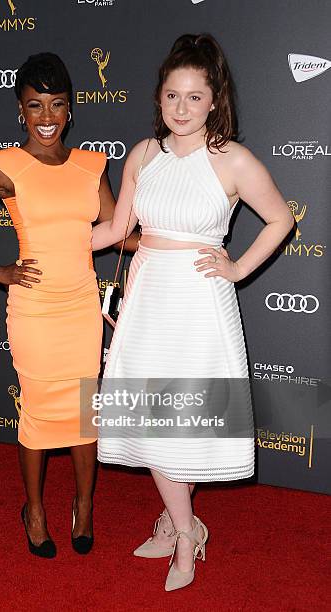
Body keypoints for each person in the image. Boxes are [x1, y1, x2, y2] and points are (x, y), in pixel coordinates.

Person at [91, 33, 294, 590]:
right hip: (149, 294)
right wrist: (51, 242)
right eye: (171, 96)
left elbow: (280, 219)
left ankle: (183, 534)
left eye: (194, 97)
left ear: (214, 99)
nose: (181, 109)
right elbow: (115, 230)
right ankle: (183, 524)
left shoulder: (231, 160)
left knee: (183, 421)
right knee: (151, 414)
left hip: (200, 304)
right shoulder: (142, 155)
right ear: (158, 97)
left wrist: (237, 269)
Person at [0, 52, 122, 558]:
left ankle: (83, 508)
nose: (46, 118)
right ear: (20, 109)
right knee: (39, 414)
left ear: (71, 109)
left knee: (86, 414)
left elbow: (119, 233)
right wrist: (0, 271)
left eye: (57, 105)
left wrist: (177, 236)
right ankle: (35, 510)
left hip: (82, 306)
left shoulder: (90, 166)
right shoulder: (6, 166)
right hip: (36, 310)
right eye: (35, 105)